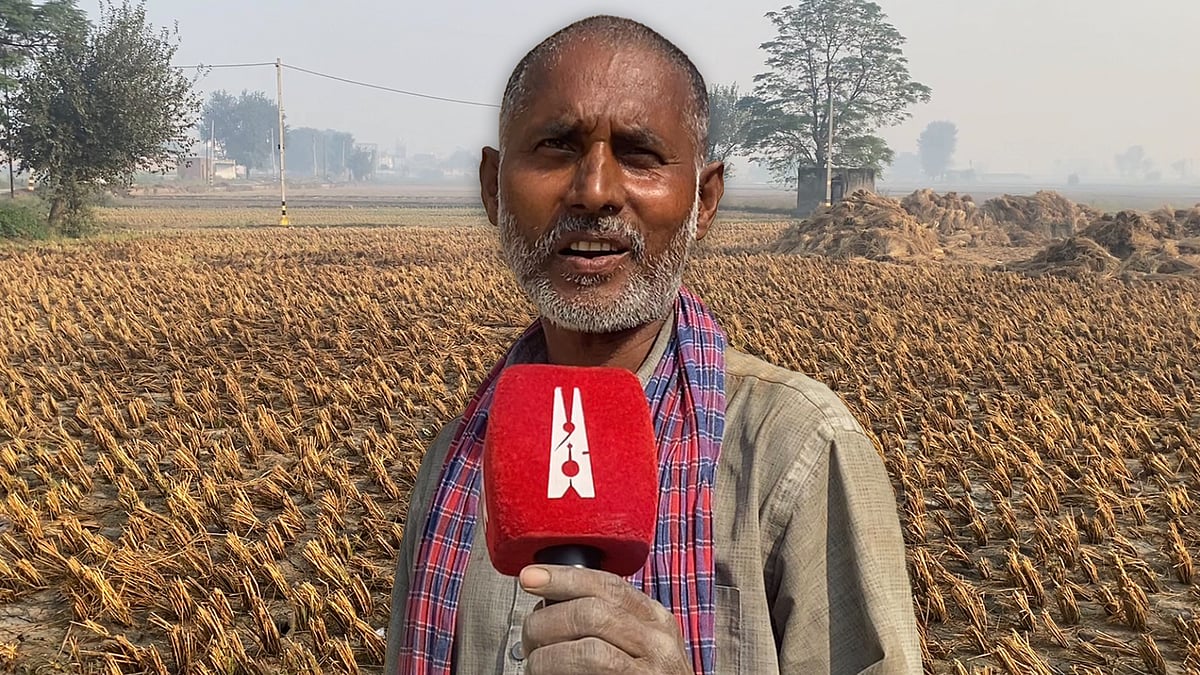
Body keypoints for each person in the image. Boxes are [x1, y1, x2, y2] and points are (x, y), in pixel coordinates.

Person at [384, 15, 921, 675]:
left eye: (639, 154)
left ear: (704, 201)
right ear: (493, 187)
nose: (595, 191)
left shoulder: (795, 449)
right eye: (556, 146)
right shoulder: (462, 457)